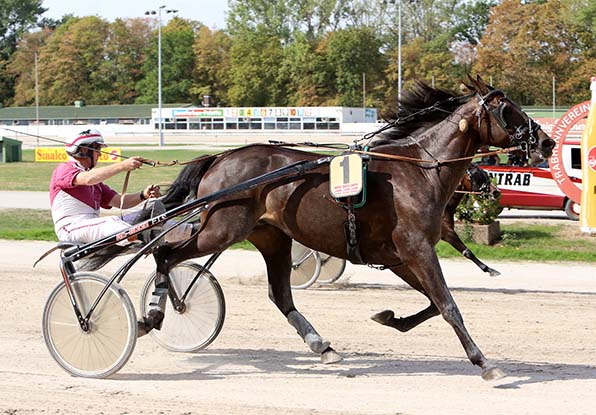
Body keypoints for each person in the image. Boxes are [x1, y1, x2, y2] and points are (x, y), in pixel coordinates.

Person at [49, 129, 194, 245]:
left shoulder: (95, 183)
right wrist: (122, 166)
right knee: (111, 221)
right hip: (70, 229)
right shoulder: (65, 169)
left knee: (151, 218)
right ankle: (142, 237)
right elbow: (88, 179)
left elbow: (119, 201)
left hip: (92, 226)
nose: (100, 153)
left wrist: (143, 195)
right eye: (97, 148)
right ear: (84, 150)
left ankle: (191, 231)